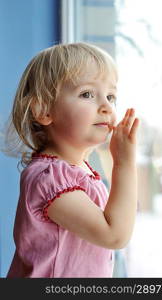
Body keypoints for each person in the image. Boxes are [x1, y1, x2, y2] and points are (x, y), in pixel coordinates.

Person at [5, 42, 139, 278]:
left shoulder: (78, 172)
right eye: (87, 94)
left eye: (110, 96)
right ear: (44, 111)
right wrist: (125, 164)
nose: (107, 106)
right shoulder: (50, 179)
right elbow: (114, 235)